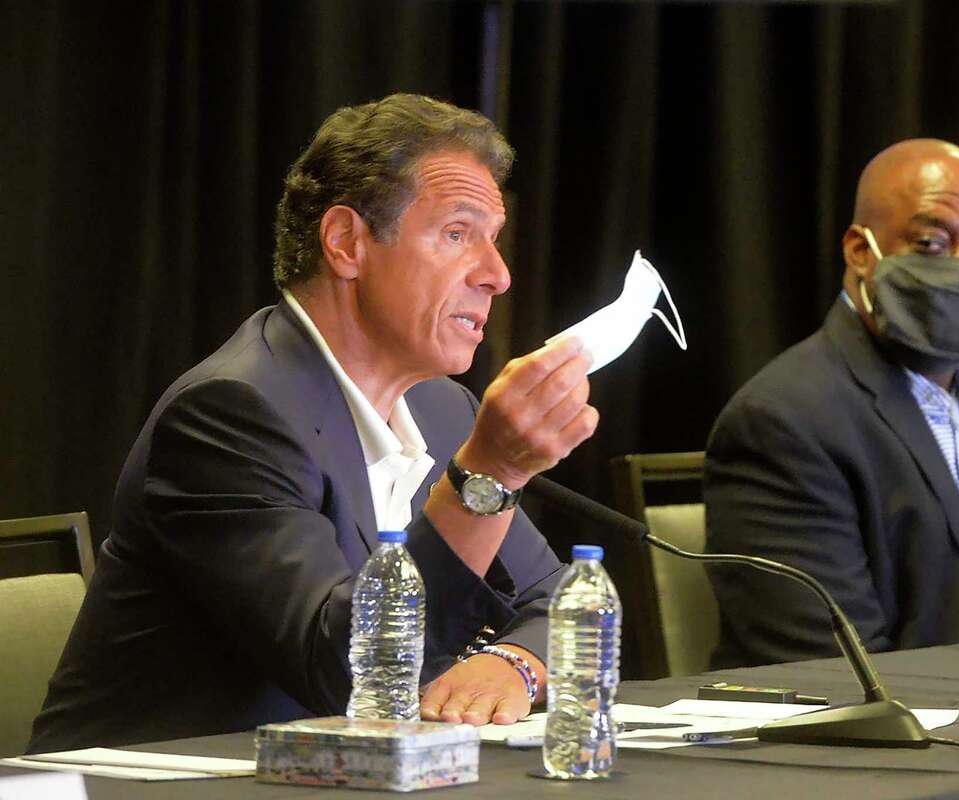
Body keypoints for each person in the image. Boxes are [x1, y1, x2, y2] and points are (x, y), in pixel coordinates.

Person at [29, 94, 598, 752]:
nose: (497, 275)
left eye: (493, 241)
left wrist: (513, 664)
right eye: (456, 234)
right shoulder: (229, 415)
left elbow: (559, 599)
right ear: (347, 242)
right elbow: (346, 675)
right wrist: (488, 476)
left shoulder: (442, 408)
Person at [705, 139, 959, 669]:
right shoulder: (784, 420)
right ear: (861, 251)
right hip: (925, 733)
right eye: (931, 243)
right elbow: (832, 670)